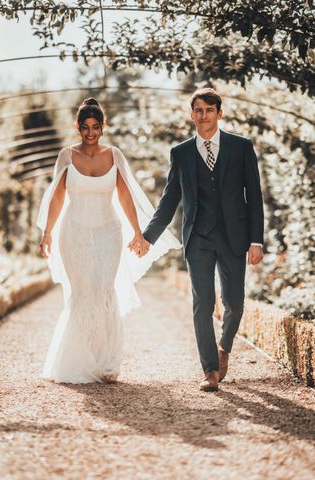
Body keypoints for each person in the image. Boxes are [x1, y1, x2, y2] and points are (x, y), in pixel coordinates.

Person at [36, 98, 180, 384]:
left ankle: (106, 363)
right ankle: (78, 360)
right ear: (77, 127)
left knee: (103, 292)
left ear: (103, 128)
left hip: (108, 233)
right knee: (82, 294)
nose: (90, 132)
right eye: (85, 127)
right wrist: (47, 232)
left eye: (96, 127)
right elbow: (56, 197)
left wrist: (138, 232)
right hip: (74, 232)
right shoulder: (66, 156)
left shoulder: (114, 155)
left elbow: (126, 196)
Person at [140, 87, 264, 392]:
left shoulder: (241, 147)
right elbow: (169, 201)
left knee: (234, 303)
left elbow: (255, 197)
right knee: (202, 302)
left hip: (234, 236)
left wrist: (256, 240)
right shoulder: (180, 153)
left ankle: (224, 347)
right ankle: (209, 369)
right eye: (198, 110)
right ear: (192, 114)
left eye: (209, 110)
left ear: (219, 114)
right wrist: (147, 238)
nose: (203, 115)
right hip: (198, 239)